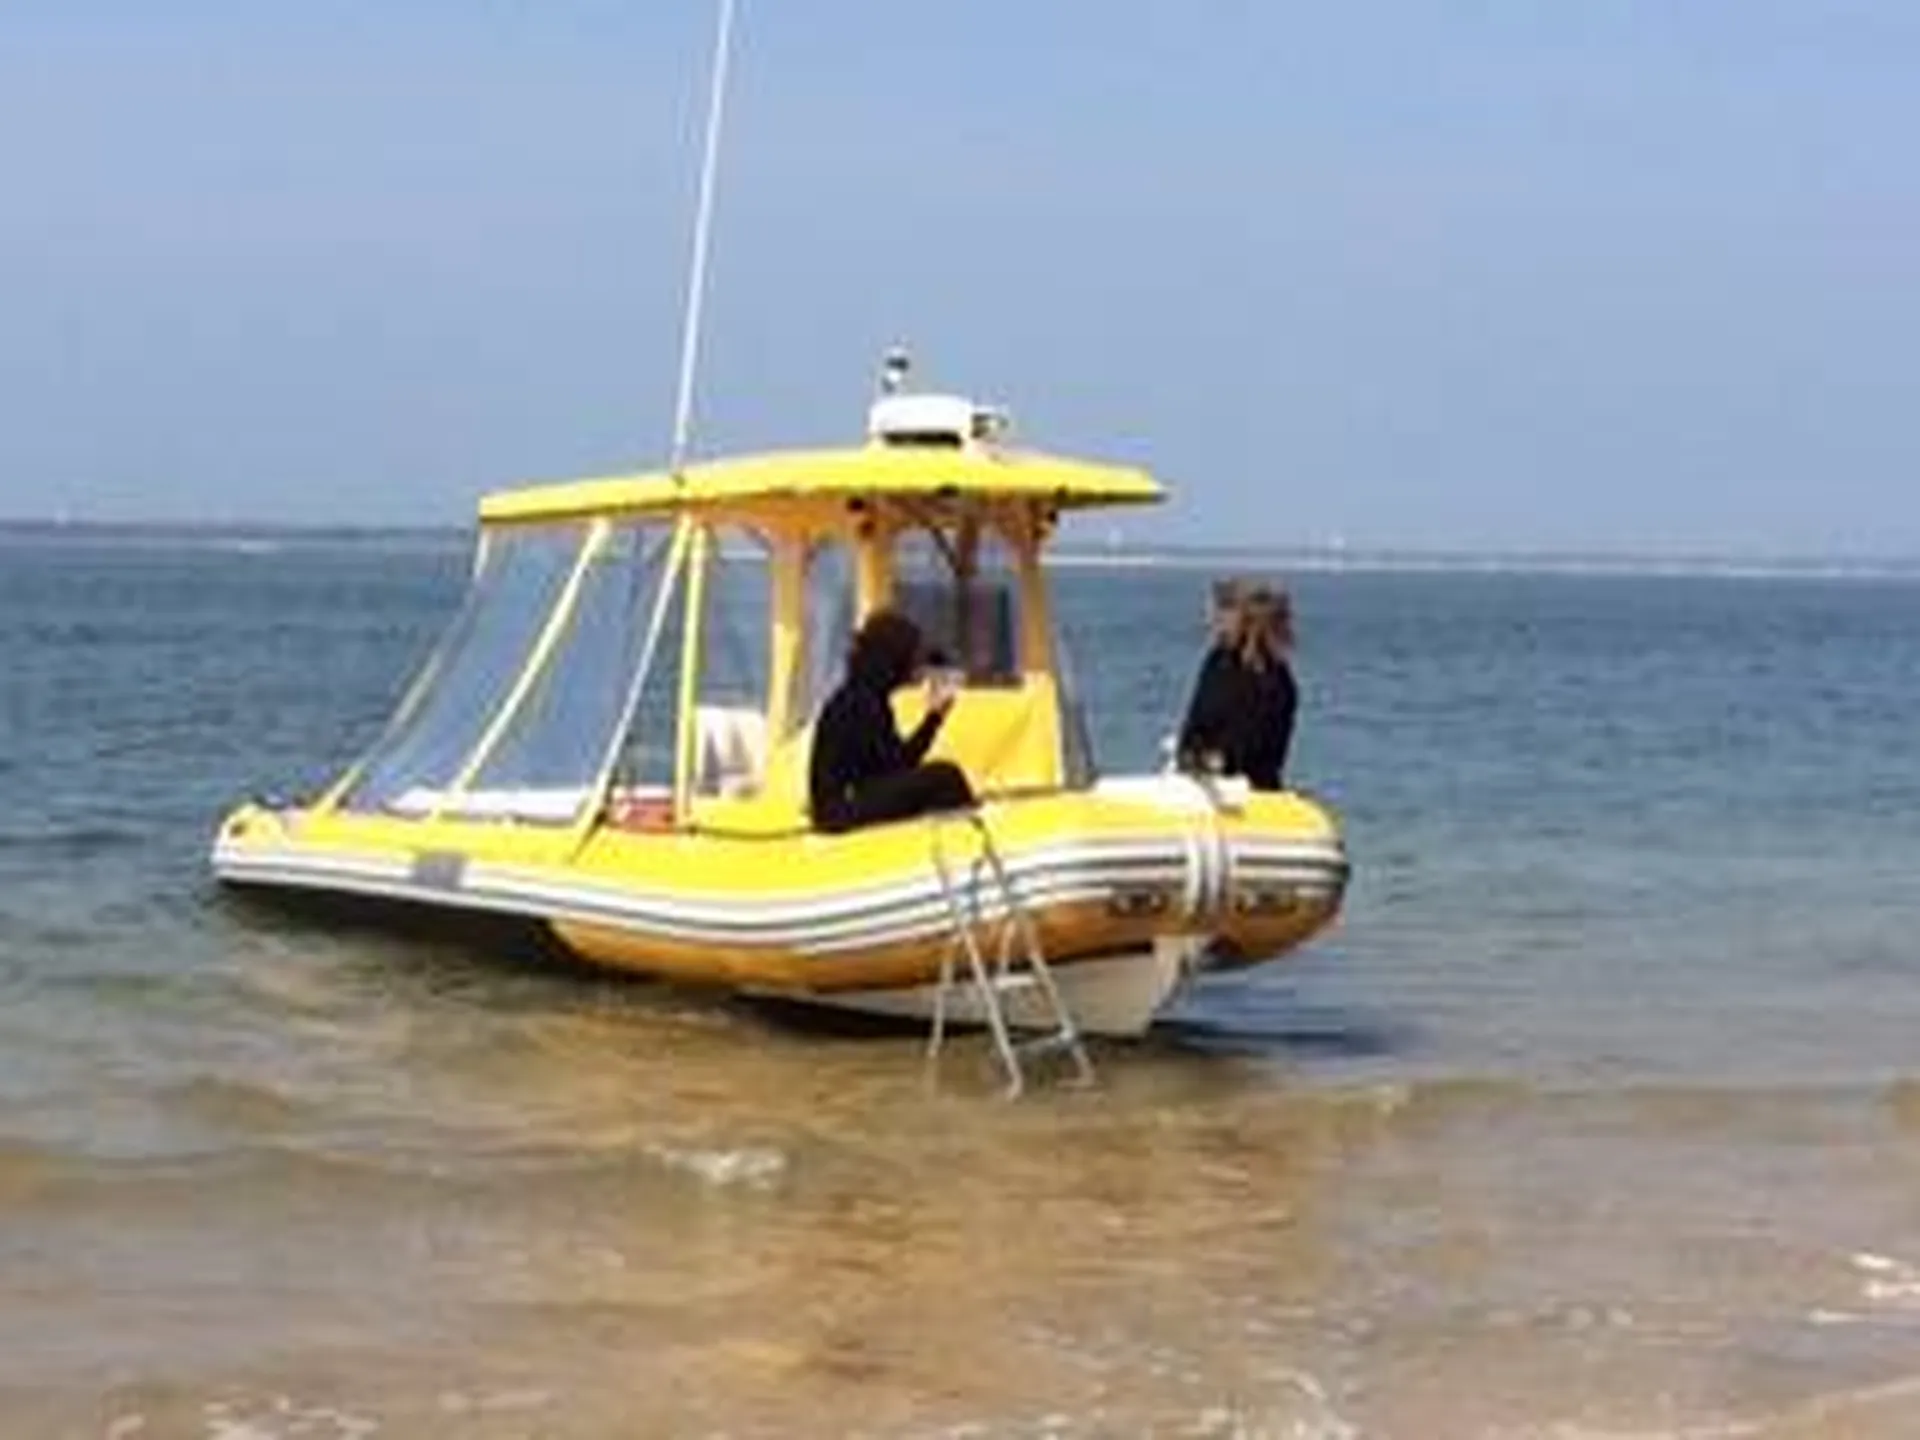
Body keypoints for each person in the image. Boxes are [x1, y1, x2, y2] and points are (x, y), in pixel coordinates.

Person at [808, 608, 976, 833]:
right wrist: (933, 719)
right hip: (841, 811)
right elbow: (897, 767)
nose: (913, 668)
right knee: (946, 776)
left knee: (940, 778)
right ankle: (965, 836)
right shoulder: (861, 704)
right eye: (910, 659)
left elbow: (895, 765)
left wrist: (935, 716)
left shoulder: (863, 697)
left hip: (847, 802)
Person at [1176, 578, 1298, 791]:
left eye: (1217, 614)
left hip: (1214, 788)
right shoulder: (1282, 678)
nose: (1212, 621)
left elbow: (1197, 735)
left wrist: (1194, 758)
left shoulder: (1221, 665)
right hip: (1263, 790)